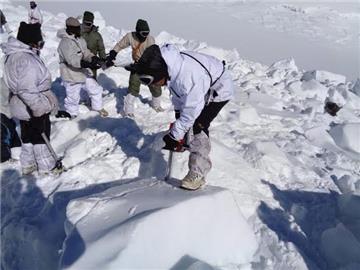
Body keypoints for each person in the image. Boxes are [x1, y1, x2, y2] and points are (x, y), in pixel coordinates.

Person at [132, 44, 234, 190]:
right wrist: (178, 128)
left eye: (149, 80)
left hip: (219, 89)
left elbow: (192, 110)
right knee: (184, 123)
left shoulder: (188, 76)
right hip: (202, 84)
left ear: (160, 72)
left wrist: (175, 135)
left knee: (199, 125)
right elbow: (179, 97)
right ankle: (188, 142)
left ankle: (198, 173)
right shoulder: (172, 69)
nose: (152, 84)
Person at [1, 22, 59, 175]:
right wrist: (39, 109)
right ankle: (47, 168)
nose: (41, 47)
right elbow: (27, 90)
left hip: (19, 105)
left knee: (27, 136)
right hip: (32, 105)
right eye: (40, 43)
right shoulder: (27, 61)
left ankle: (28, 164)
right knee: (40, 136)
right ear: (30, 42)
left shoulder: (13, 55)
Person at [106, 19, 163, 117]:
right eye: (143, 33)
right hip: (136, 66)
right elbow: (120, 45)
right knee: (133, 88)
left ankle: (156, 105)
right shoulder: (130, 36)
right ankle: (129, 111)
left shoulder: (150, 40)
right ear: (137, 31)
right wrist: (113, 53)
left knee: (156, 88)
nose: (145, 36)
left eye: (147, 33)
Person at [57, 17, 109, 118]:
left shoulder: (79, 39)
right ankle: (72, 115)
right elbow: (72, 60)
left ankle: (97, 108)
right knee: (73, 98)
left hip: (82, 72)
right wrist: (87, 64)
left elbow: (85, 52)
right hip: (71, 74)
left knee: (96, 89)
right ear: (70, 28)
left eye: (78, 27)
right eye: (76, 28)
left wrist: (94, 59)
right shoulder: (65, 43)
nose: (78, 29)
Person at [81, 11, 106, 80]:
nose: (86, 26)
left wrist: (103, 60)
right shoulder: (77, 32)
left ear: (92, 24)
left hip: (92, 63)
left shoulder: (97, 35)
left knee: (92, 84)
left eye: (89, 24)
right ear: (82, 21)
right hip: (78, 64)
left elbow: (101, 49)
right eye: (85, 23)